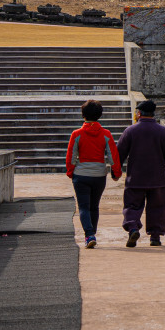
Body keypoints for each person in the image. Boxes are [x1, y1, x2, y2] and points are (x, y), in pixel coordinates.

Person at [117, 99, 165, 247]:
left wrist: (116, 171)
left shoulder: (130, 131)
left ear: (139, 114)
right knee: (157, 208)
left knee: (132, 206)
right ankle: (155, 237)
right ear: (153, 114)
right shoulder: (163, 132)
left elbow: (119, 153)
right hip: (157, 179)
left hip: (135, 179)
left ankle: (133, 228)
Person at [66, 99, 121, 249]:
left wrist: (71, 172)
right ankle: (92, 233)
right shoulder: (106, 134)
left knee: (83, 207)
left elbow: (71, 156)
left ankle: (89, 234)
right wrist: (116, 173)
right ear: (99, 115)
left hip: (81, 175)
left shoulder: (76, 134)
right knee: (94, 206)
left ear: (83, 115)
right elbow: (113, 156)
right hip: (99, 175)